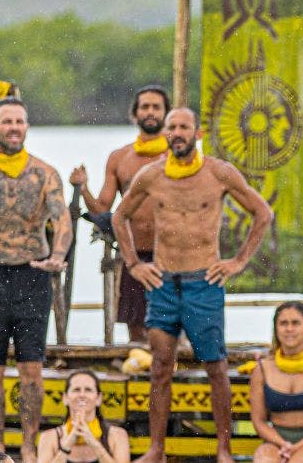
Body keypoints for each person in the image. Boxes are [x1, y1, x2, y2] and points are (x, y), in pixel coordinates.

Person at [112, 107, 274, 463]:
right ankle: (156, 448)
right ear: (166, 134)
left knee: (216, 367)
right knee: (160, 367)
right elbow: (118, 215)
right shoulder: (151, 175)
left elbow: (262, 212)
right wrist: (134, 264)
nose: (177, 132)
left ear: (198, 133)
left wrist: (238, 261)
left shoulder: (218, 173)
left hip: (204, 282)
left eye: (184, 126)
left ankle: (223, 449)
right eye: (172, 127)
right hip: (163, 283)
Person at [0, 96, 72, 463]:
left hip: (32, 275)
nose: (14, 128)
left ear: (27, 127)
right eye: (7, 122)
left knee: (31, 368)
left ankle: (28, 444)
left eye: (19, 121)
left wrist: (56, 257)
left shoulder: (44, 173)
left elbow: (62, 219)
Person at [69, 85, 171, 343]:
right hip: (132, 254)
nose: (150, 112)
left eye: (156, 107)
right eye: (144, 107)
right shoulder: (120, 158)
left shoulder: (178, 156)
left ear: (166, 114)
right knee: (136, 327)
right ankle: (138, 373)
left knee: (173, 326)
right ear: (135, 114)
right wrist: (83, 188)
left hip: (172, 253)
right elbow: (103, 208)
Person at [249, 302, 303, 463]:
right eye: (283, 323)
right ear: (276, 328)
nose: (289, 329)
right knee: (263, 459)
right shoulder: (261, 369)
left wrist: (297, 447)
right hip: (276, 440)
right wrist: (283, 444)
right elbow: (259, 421)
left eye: (295, 323)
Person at [37, 370, 130, 463]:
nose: (82, 395)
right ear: (65, 398)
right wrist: (67, 445)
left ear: (99, 398)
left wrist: (93, 443)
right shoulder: (49, 437)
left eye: (88, 390)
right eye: (76, 390)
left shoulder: (117, 435)